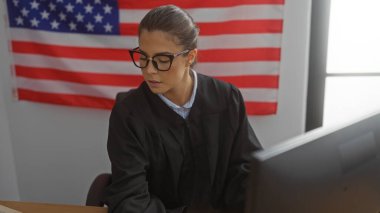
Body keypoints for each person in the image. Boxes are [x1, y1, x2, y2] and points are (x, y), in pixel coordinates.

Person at [105, 4, 262, 213]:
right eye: (143, 57)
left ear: (190, 57)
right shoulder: (129, 114)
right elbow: (130, 199)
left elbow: (246, 174)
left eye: (162, 60)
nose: (149, 70)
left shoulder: (226, 99)